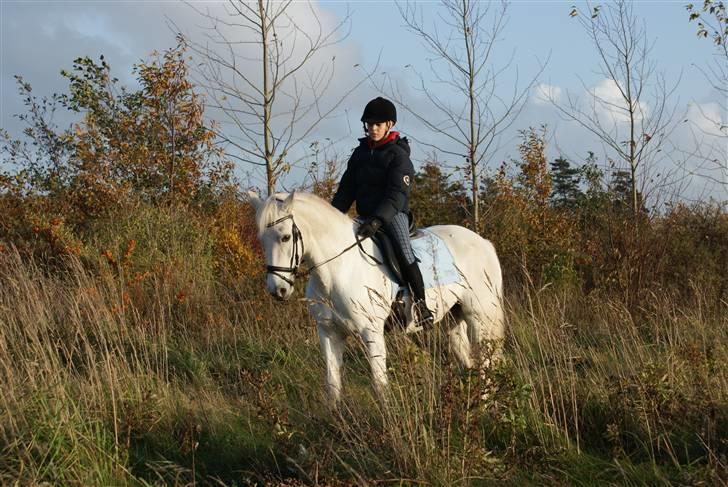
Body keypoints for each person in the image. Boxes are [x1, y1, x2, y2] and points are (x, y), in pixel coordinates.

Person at [331, 96, 434, 327]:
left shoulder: (399, 156)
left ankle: (421, 306)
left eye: (378, 124)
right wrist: (332, 215)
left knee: (403, 251)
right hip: (365, 216)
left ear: (390, 125)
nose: (373, 129)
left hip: (392, 215)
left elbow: (397, 195)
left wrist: (378, 220)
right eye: (369, 125)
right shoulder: (359, 154)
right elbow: (346, 190)